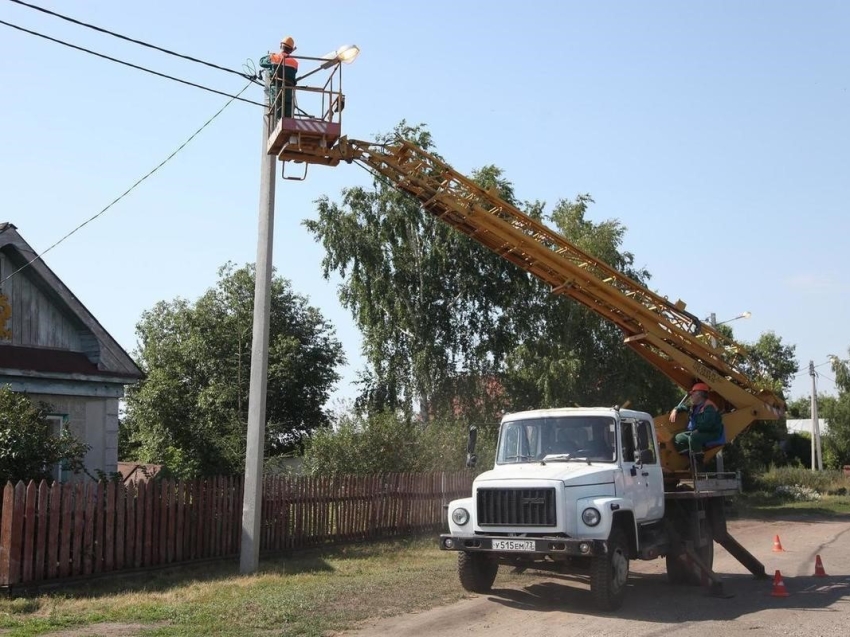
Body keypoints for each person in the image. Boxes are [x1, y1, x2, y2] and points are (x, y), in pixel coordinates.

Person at [669, 382, 724, 463]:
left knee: (694, 438)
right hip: (696, 431)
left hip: (711, 432)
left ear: (699, 394)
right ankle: (690, 457)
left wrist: (698, 430)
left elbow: (708, 424)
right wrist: (675, 409)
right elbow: (684, 407)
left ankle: (698, 462)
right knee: (678, 438)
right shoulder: (694, 406)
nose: (691, 396)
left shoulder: (709, 407)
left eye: (693, 393)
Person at [259, 36, 299, 121]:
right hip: (289, 91)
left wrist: (270, 55)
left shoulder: (274, 58)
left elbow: (261, 62)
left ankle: (278, 120)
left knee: (277, 110)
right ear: (291, 50)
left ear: (281, 46)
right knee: (287, 112)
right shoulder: (295, 63)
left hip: (276, 90)